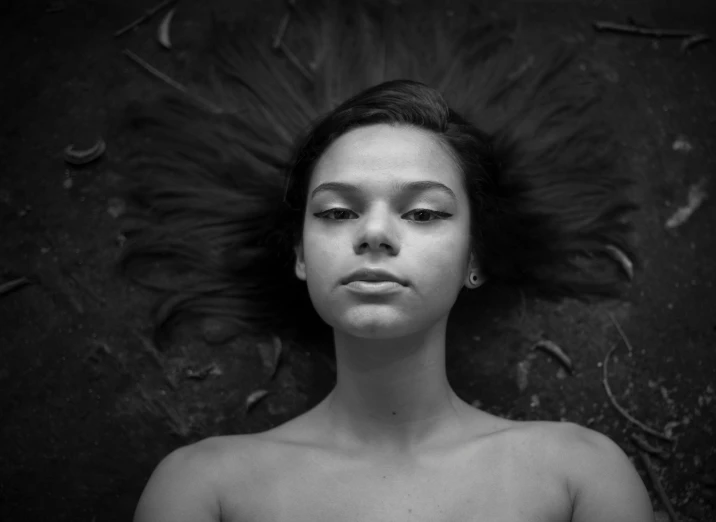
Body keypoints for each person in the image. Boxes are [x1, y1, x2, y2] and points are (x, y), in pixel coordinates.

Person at [122, 1, 653, 520]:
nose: (374, 233)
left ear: (476, 256)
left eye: (422, 213)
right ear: (301, 255)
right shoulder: (204, 489)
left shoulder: (578, 478)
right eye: (336, 212)